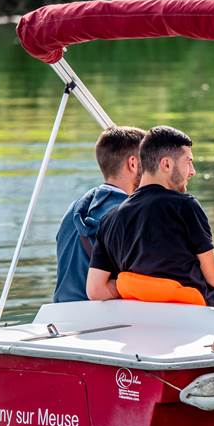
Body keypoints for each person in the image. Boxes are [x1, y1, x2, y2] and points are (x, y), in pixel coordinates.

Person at [86, 125, 214, 307]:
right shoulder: (185, 206)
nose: (192, 171)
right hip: (197, 314)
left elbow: (95, 290)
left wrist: (141, 288)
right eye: (188, 162)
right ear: (166, 164)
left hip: (141, 321)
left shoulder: (110, 219)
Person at [53, 126, 144, 302]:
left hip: (60, 314)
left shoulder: (74, 209)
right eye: (148, 161)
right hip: (102, 317)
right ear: (133, 163)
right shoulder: (128, 215)